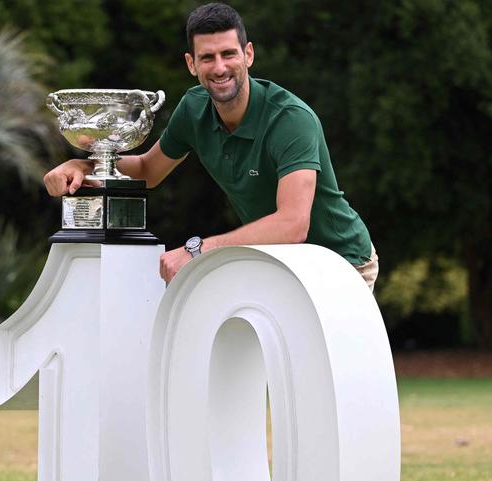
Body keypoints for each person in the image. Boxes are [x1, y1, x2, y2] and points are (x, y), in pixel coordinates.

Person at [43, 2, 379, 290]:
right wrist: (85, 165)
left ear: (248, 55)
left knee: (309, 365)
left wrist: (197, 250)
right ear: (191, 64)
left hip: (341, 262)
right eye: (207, 58)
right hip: (277, 261)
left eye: (228, 54)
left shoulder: (290, 119)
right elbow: (148, 169)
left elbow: (293, 224)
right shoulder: (194, 108)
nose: (219, 68)